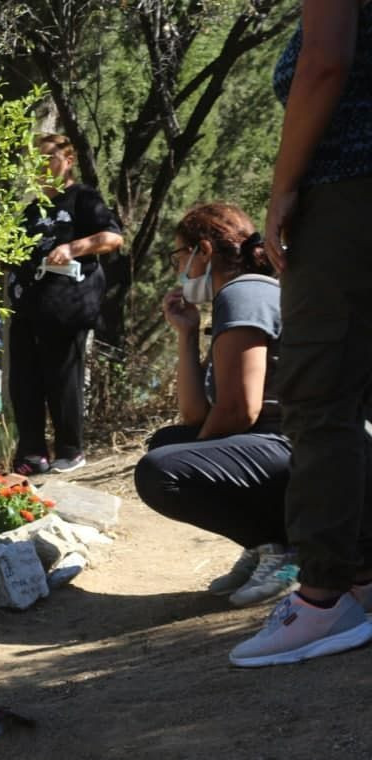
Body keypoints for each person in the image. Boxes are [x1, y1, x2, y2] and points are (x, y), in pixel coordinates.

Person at [229, 3, 372, 667]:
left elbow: (324, 63)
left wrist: (283, 187)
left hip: (345, 190)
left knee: (319, 392)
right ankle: (359, 575)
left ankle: (321, 599)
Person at [133, 203, 294, 607]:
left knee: (161, 471)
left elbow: (241, 410)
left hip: (297, 447)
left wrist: (195, 450)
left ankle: (289, 549)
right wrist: (185, 335)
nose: (177, 269)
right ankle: (264, 542)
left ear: (203, 250)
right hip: (275, 447)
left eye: (178, 256)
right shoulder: (231, 301)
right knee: (169, 442)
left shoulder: (245, 294)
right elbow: (196, 416)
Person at [7, 133, 123, 475]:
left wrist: (73, 248)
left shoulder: (83, 199)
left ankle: (70, 450)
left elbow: (113, 238)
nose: (42, 169)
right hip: (27, 306)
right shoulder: (30, 211)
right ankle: (31, 453)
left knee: (62, 376)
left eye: (49, 160)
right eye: (36, 163)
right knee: (24, 380)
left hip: (66, 304)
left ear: (67, 161)